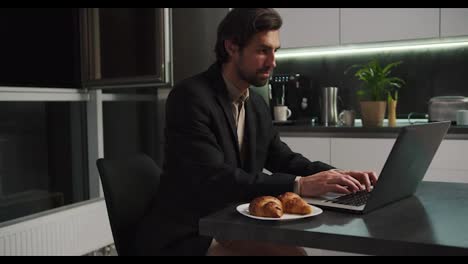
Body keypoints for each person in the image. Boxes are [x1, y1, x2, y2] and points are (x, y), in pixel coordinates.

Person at [135, 8, 377, 256]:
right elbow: (215, 178)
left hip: (232, 223)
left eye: (275, 51)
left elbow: (282, 158)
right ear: (231, 47)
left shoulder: (256, 103)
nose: (273, 62)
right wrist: (299, 185)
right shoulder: (190, 98)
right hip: (190, 233)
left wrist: (337, 175)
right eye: (263, 50)